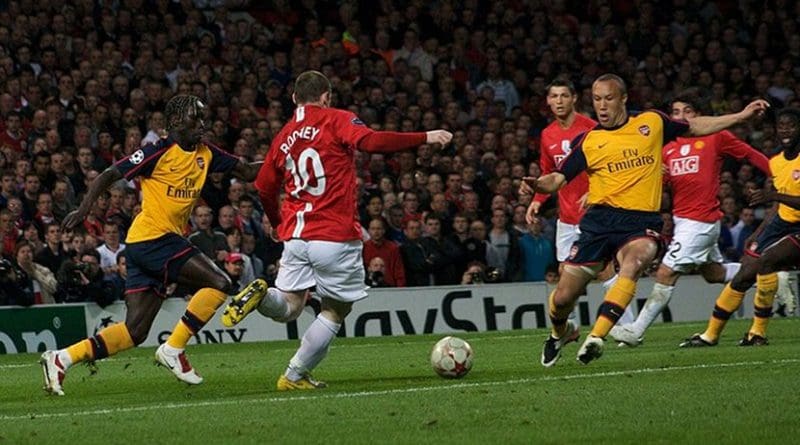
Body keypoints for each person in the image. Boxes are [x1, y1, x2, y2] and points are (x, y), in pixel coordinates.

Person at [220, 70, 452, 390]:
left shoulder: (283, 136)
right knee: (336, 309)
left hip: (297, 237)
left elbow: (262, 188)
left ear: (294, 99)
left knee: (289, 306)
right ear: (326, 96)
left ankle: (261, 295)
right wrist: (424, 136)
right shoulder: (336, 119)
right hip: (334, 235)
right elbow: (370, 141)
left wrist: (277, 225)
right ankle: (294, 375)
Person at [520, 73, 769, 366]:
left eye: (609, 98)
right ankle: (560, 332)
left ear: (624, 99)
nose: (602, 106)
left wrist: (740, 116)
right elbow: (557, 179)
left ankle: (597, 337)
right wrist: (538, 185)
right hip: (598, 223)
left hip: (640, 222)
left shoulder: (651, 123)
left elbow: (694, 126)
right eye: (597, 99)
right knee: (562, 299)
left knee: (636, 260)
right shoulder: (589, 140)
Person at [40, 95, 267, 396]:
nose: (202, 124)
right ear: (175, 123)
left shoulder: (206, 153)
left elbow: (249, 172)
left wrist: (284, 156)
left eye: (203, 117)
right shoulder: (157, 151)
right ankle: (173, 348)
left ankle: (61, 358)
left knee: (134, 332)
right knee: (220, 280)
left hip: (146, 245)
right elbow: (110, 174)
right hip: (152, 239)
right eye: (194, 118)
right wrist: (83, 210)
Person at [610, 92, 771, 346]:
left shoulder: (716, 136)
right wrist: (655, 174)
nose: (681, 117)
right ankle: (768, 271)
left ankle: (636, 330)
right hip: (683, 221)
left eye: (688, 111)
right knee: (714, 273)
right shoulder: (668, 147)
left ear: (698, 115)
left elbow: (750, 155)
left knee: (665, 273)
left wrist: (779, 175)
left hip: (701, 221)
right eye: (676, 112)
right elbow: (656, 186)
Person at [680, 108, 800, 348]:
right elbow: (778, 204)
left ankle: (757, 333)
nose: (785, 130)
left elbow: (777, 197)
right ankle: (710, 335)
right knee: (745, 272)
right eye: (781, 126)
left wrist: (771, 195)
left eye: (791, 126)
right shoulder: (775, 162)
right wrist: (758, 232)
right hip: (780, 223)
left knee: (766, 262)